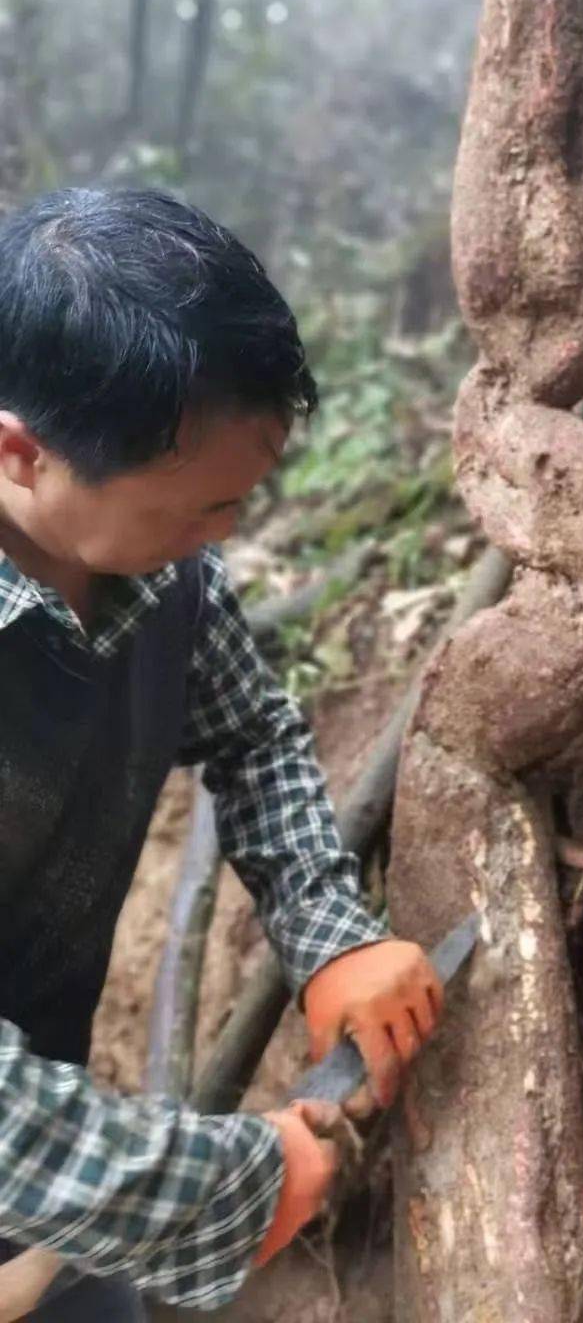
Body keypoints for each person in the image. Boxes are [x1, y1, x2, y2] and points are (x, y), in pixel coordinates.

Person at [0, 187, 444, 1319]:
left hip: (52, 1176)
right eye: (193, 511)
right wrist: (225, 1187)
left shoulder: (161, 572)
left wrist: (330, 934)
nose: (222, 538)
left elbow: (250, 733)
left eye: (237, 502)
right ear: (19, 454)